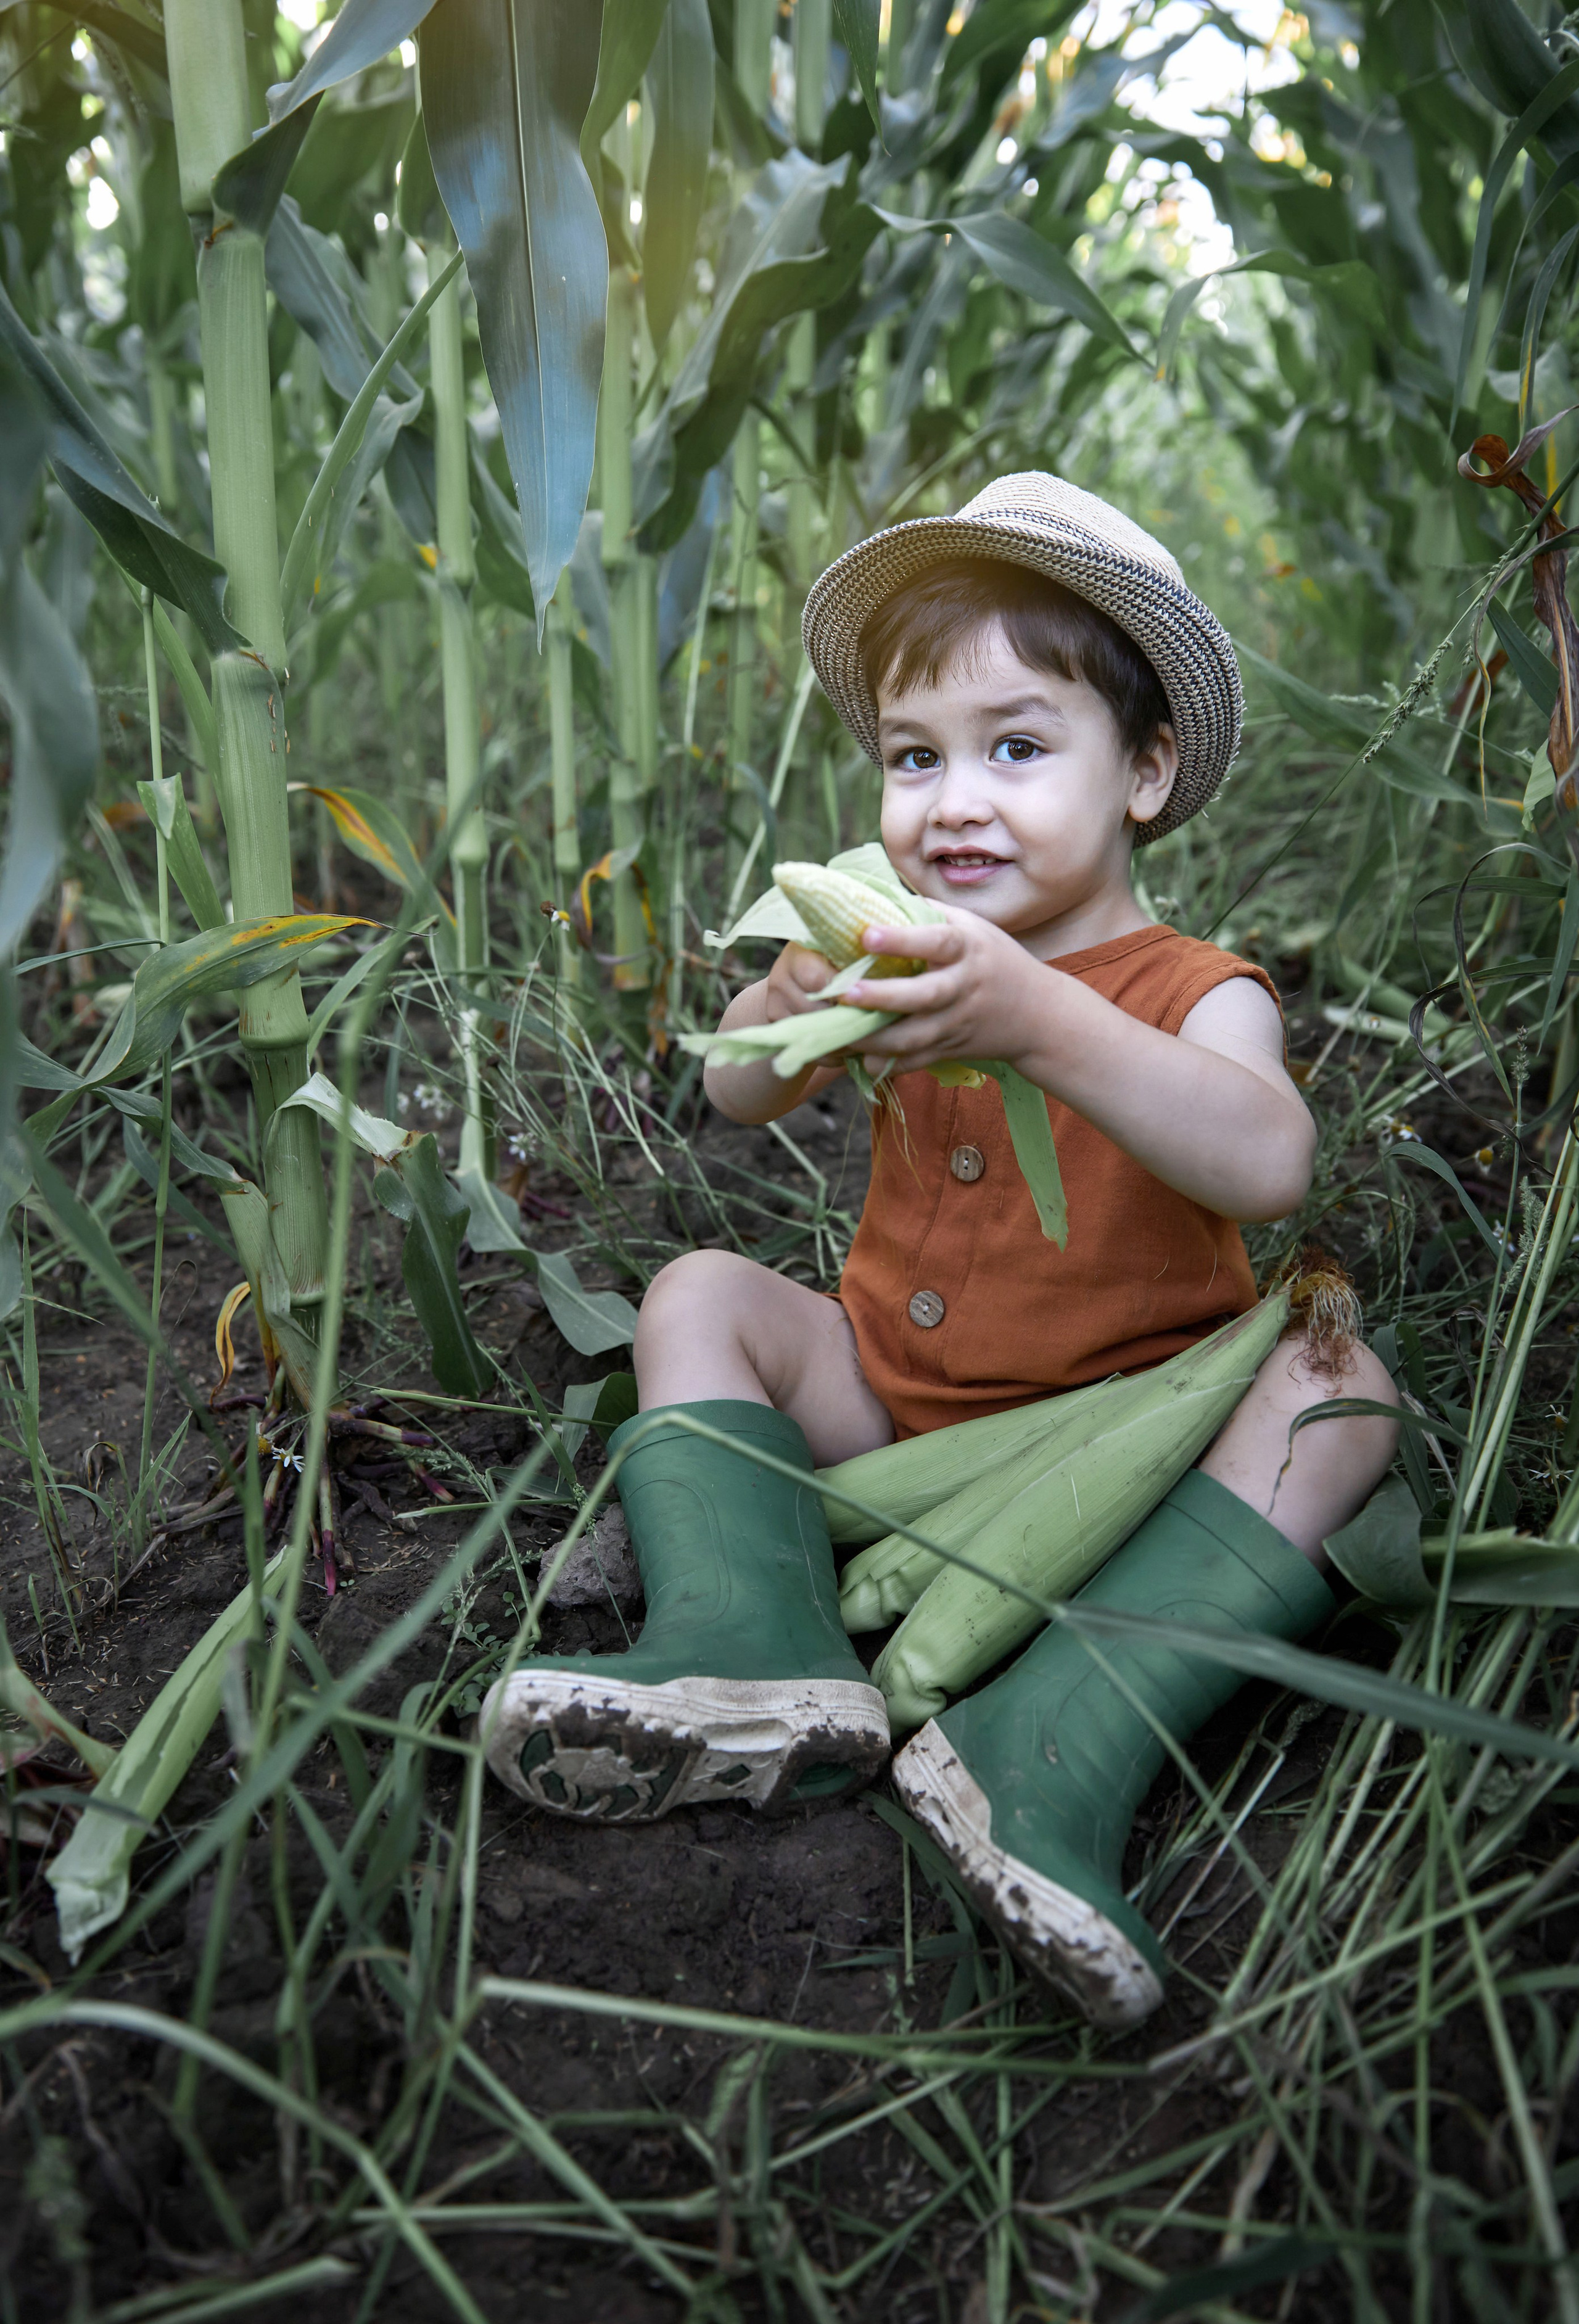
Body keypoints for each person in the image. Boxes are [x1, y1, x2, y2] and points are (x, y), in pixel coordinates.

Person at [483, 472, 1400, 2027]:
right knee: (700, 1292)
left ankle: (1047, 1746)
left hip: (1119, 1466)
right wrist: (787, 1005)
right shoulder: (890, 953)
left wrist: (1038, 1014)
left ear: (1146, 773)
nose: (950, 800)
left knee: (1339, 1397)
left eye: (1016, 749)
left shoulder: (1191, 984)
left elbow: (1266, 1160)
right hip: (895, 1415)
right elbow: (734, 1094)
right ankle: (748, 1645)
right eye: (915, 758)